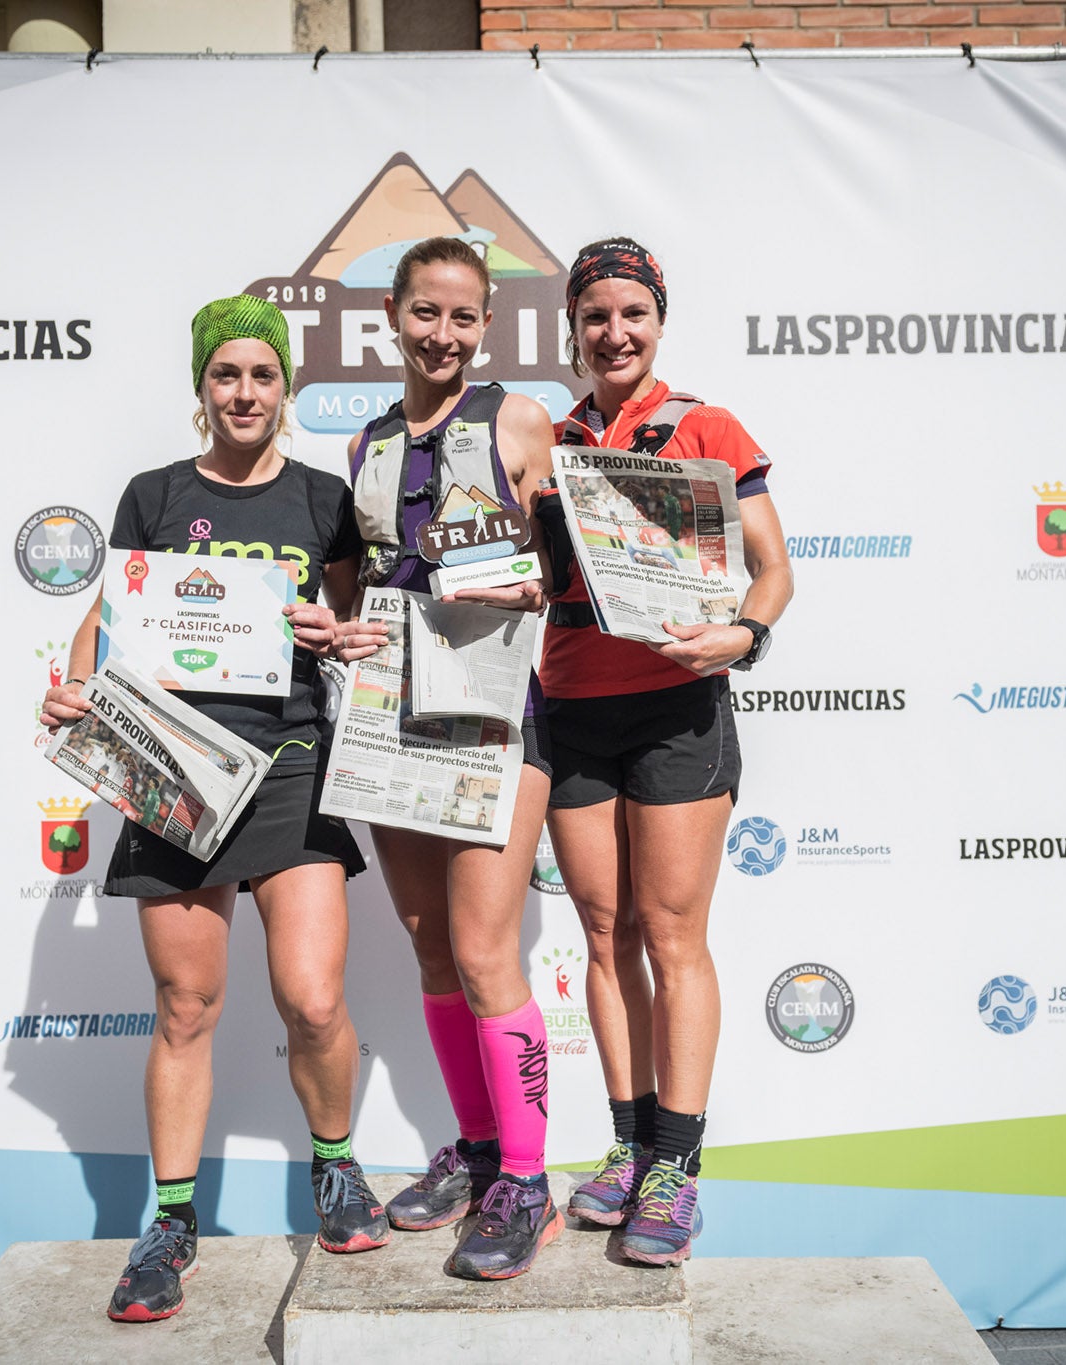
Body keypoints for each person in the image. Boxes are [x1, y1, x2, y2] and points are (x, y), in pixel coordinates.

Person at [39, 296, 383, 1323]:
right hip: (174, 766)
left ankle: (335, 1168)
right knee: (186, 1009)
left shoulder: (324, 499)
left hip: (288, 760)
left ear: (285, 389)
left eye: (262, 376)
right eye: (226, 375)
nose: (244, 393)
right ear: (203, 387)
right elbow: (106, 616)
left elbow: (359, 617)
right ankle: (173, 1220)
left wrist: (338, 630)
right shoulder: (153, 493)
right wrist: (73, 689)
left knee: (312, 998)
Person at [538, 238, 794, 1266]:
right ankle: (628, 1142)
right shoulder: (548, 438)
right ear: (574, 327)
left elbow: (772, 569)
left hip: (677, 708)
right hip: (570, 705)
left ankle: (676, 1169)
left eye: (630, 314)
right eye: (594, 316)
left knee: (670, 934)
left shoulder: (705, 425)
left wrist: (742, 635)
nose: (613, 333)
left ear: (658, 321)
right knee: (603, 935)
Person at [328, 236, 561, 1280]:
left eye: (465, 318)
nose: (444, 334)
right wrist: (330, 627)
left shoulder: (516, 419)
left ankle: (526, 1179)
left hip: (498, 710)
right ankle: (473, 1157)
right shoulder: (365, 443)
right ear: (393, 312)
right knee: (431, 953)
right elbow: (356, 592)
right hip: (392, 718)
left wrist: (532, 585)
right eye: (427, 313)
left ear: (486, 327)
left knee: (482, 952)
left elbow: (574, 565)